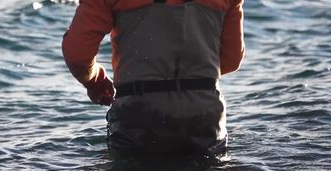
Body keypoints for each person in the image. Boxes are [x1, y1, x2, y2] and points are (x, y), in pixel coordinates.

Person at [62, 0, 245, 157]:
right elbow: (231, 59)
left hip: (140, 113)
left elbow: (77, 55)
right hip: (205, 113)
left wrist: (95, 81)